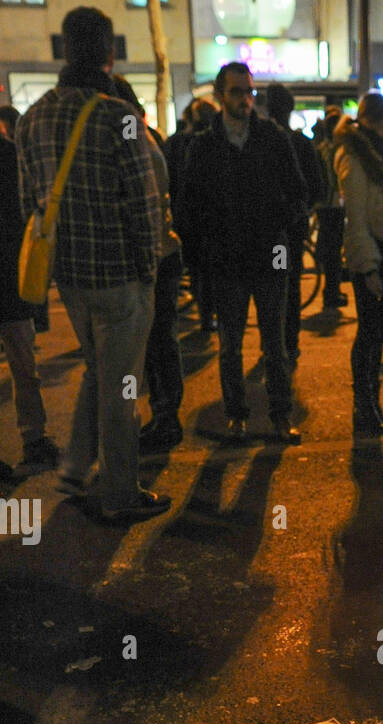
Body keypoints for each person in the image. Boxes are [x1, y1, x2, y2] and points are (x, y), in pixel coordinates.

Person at [15, 6, 167, 523]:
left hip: (69, 278)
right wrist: (149, 271)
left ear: (63, 50)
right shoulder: (118, 117)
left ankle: (75, 470)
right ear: (109, 53)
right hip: (121, 278)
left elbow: (28, 206)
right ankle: (122, 495)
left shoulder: (31, 118)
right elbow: (144, 205)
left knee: (97, 372)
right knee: (122, 389)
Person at [176, 61, 306, 443]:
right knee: (230, 346)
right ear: (219, 95)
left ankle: (280, 417)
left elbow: (299, 190)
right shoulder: (204, 145)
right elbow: (188, 206)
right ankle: (237, 416)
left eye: (249, 91)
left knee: (275, 345)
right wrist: (203, 251)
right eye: (236, 91)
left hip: (269, 254)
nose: (246, 98)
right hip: (226, 261)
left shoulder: (271, 137)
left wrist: (279, 222)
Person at [333, 91, 383, 437]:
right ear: (371, 121)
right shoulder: (355, 157)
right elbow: (356, 220)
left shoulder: (381, 154)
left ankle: (371, 405)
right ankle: (364, 407)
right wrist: (368, 268)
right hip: (373, 255)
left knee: (377, 332)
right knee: (369, 333)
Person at [113, 76, 184, 453]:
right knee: (158, 342)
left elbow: (147, 203)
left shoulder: (136, 139)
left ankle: (166, 417)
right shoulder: (145, 135)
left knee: (156, 343)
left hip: (156, 256)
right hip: (162, 253)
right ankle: (164, 416)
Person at [0, 128, 59, 478]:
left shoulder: (11, 153)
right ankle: (34, 439)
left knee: (24, 366)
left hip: (10, 277)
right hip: (11, 275)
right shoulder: (12, 153)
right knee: (24, 367)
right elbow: (28, 212)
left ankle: (35, 438)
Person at [266, 84, 324, 363]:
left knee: (273, 285)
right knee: (290, 283)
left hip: (269, 230)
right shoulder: (300, 143)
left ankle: (275, 343)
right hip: (292, 227)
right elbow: (316, 185)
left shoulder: (262, 140)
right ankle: (289, 342)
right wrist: (303, 209)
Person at [167, 97, 218, 334]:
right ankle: (210, 314)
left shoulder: (175, 144)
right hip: (210, 219)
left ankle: (205, 313)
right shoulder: (214, 143)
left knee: (197, 269)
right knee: (210, 270)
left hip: (186, 218)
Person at [315, 107, 348, 308]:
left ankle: (331, 290)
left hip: (324, 204)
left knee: (330, 250)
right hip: (334, 203)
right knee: (334, 251)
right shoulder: (337, 150)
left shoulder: (321, 148)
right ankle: (331, 293)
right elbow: (337, 179)